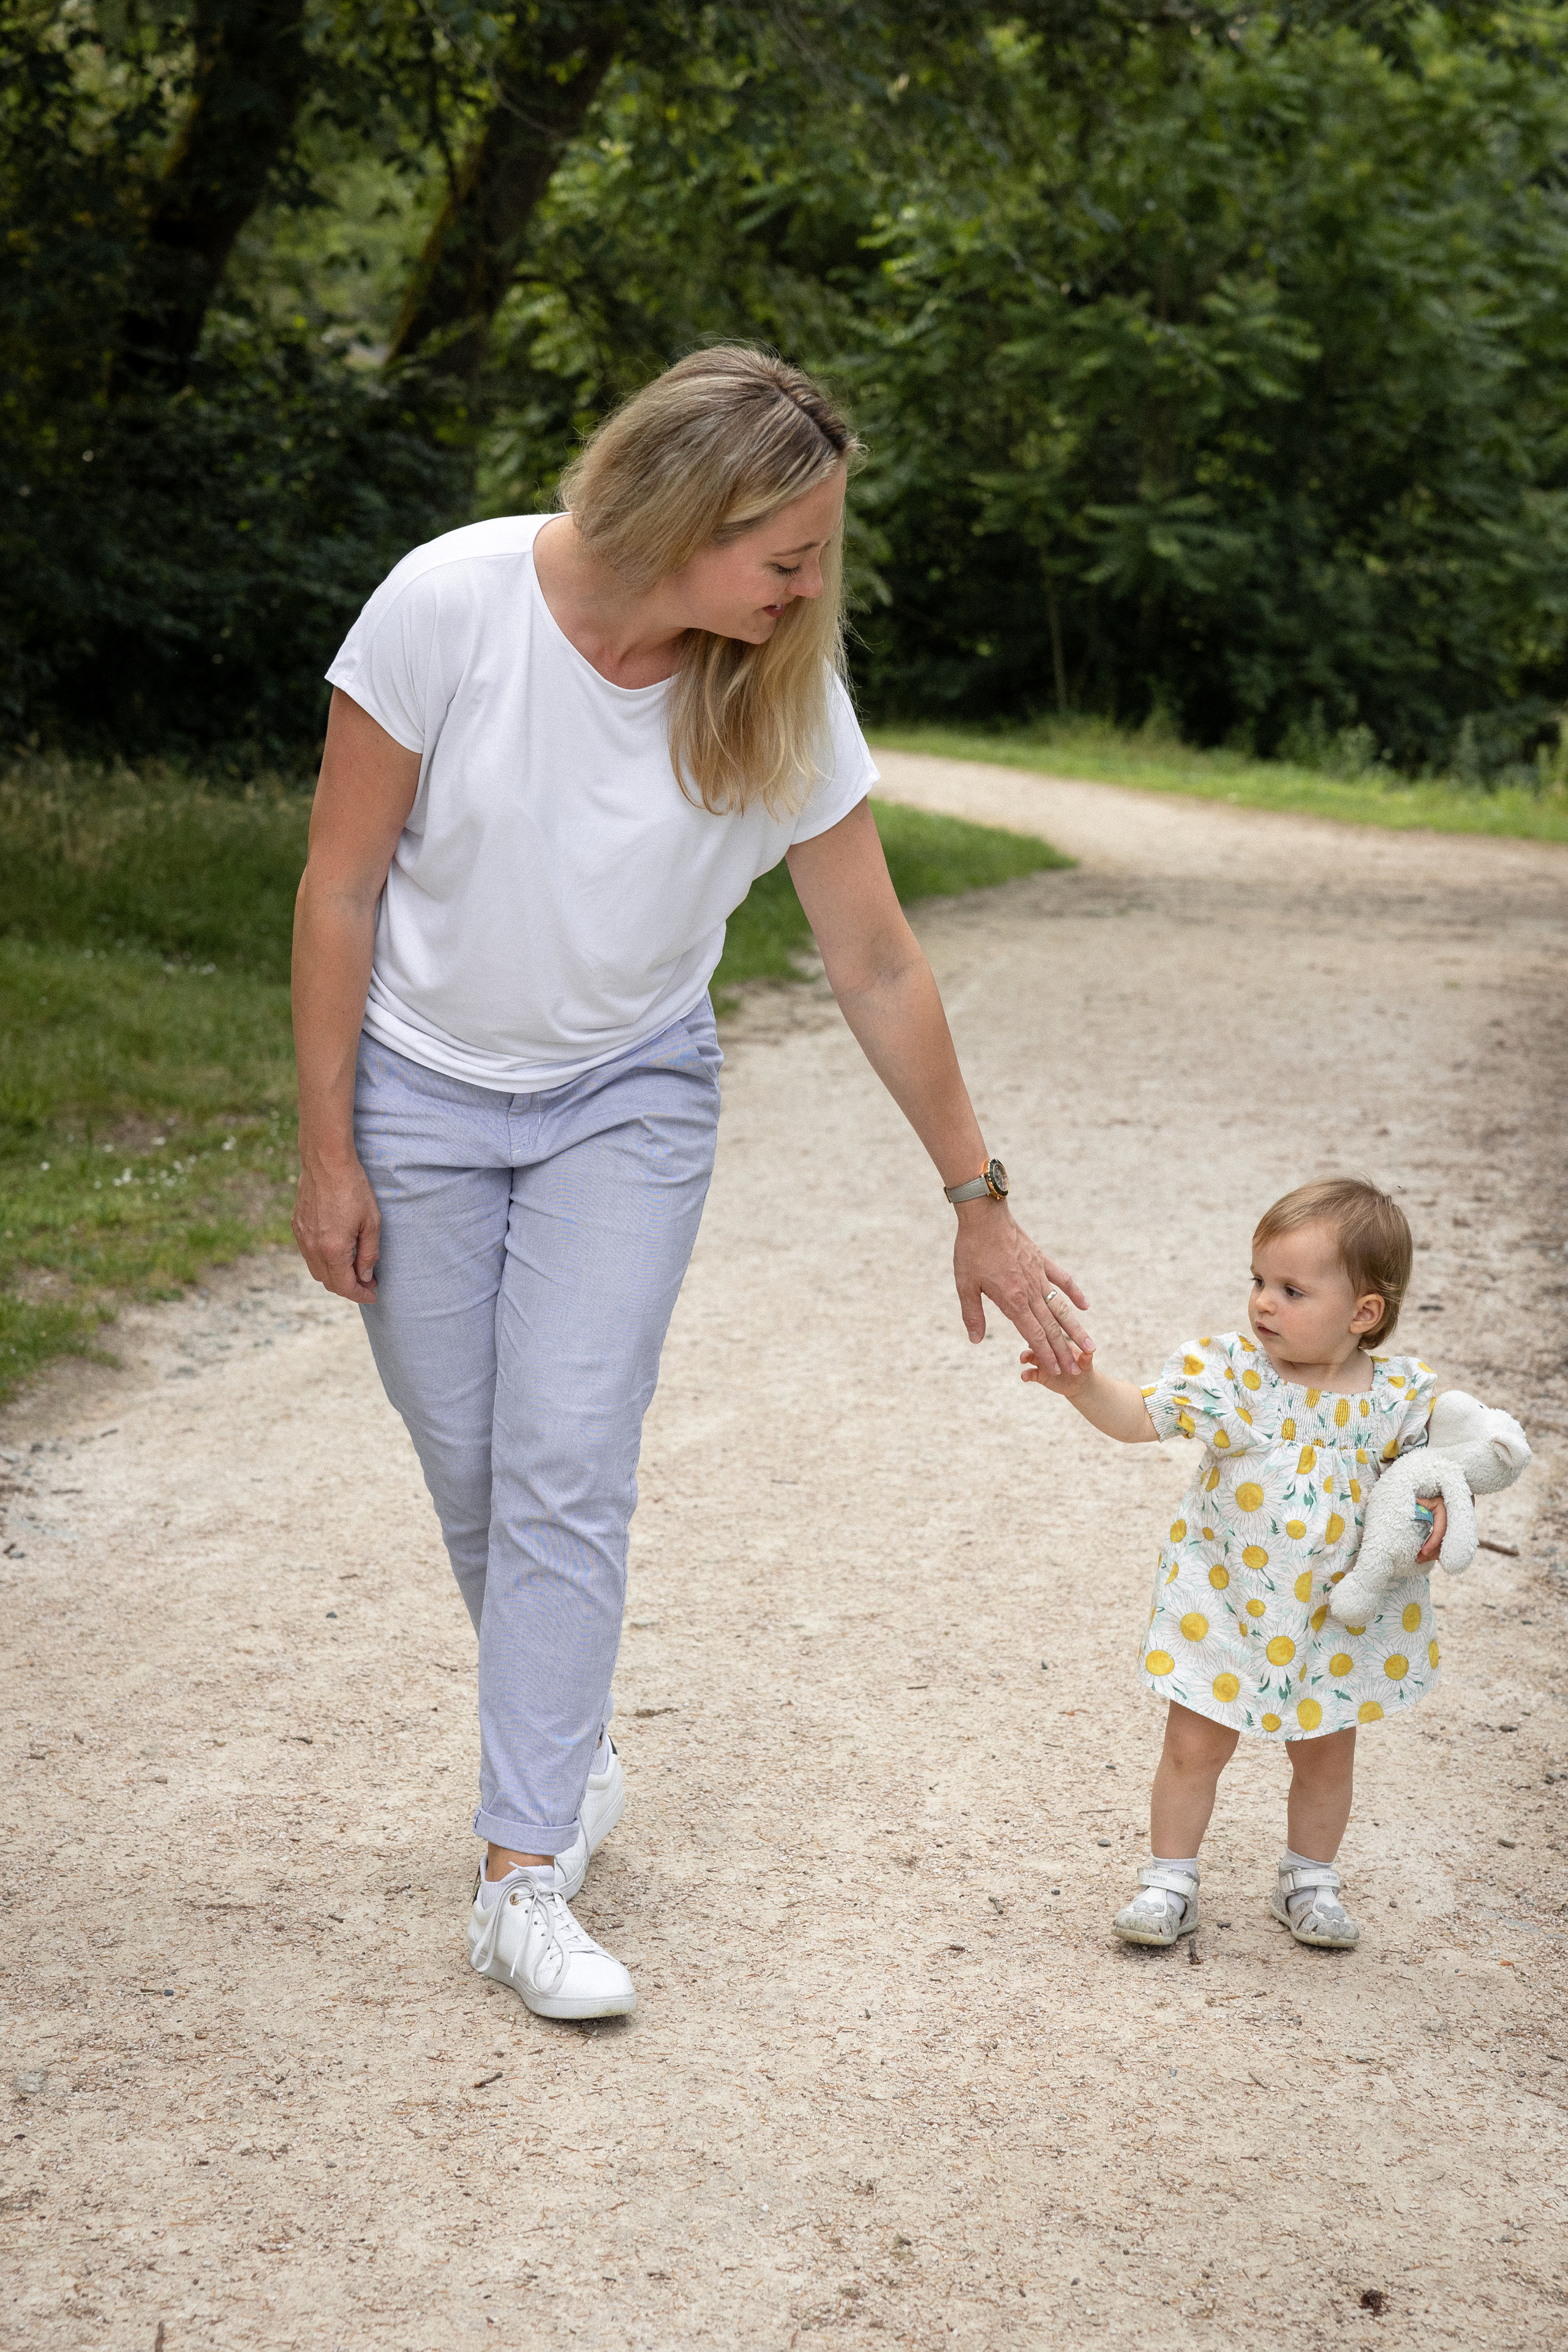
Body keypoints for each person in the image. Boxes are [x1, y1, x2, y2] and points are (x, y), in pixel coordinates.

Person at [291, 345, 1091, 2021]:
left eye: (817, 557)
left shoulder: (778, 689)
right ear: (679, 514)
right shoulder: (449, 604)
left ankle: (523, 1876)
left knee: (566, 1457)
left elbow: (871, 960)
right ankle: (568, 1759)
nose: (809, 590)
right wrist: (328, 1144)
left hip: (625, 1103)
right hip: (422, 1098)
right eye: (785, 555)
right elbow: (344, 882)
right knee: (478, 1476)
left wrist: (981, 1198)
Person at [1021, 1177, 1450, 1953]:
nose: (1262, 1303)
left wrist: (1439, 1510)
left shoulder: (1396, 1399)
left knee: (1324, 1754)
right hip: (1226, 1599)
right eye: (1257, 1282)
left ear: (1363, 1314)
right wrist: (1081, 1385)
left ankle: (1308, 1879)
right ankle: (1168, 1883)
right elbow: (1139, 1416)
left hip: (1334, 1615)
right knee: (1193, 1746)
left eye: (1291, 1290)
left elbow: (1431, 1476)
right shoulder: (1234, 1376)